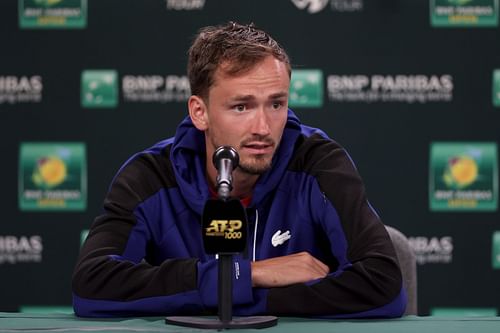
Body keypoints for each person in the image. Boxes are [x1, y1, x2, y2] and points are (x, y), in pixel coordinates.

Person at [72, 22, 406, 318]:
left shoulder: (318, 163)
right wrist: (243, 276)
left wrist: (235, 300)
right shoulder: (150, 176)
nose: (263, 127)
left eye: (276, 104)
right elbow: (92, 285)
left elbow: (384, 285)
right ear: (199, 112)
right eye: (241, 106)